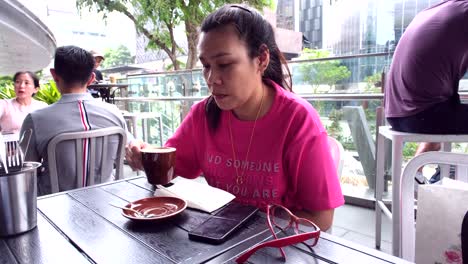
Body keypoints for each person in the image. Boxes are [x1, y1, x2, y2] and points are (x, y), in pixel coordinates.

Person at [126, 4, 344, 231]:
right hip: (220, 239)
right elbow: (172, 171)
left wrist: (249, 230)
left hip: (278, 246)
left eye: (225, 64)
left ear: (261, 59)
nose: (212, 79)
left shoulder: (297, 119)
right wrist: (144, 156)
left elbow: (321, 218)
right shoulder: (204, 114)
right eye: (206, 65)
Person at [20, 45, 140, 196]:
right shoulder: (114, 113)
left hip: (54, 209)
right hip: (108, 201)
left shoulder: (35, 120)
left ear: (54, 75)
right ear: (91, 79)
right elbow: (133, 147)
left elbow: (25, 172)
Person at [384, 0, 468, 184]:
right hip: (421, 115)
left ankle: (415, 176)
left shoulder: (439, 9)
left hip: (397, 111)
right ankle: (451, 180)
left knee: (448, 112)